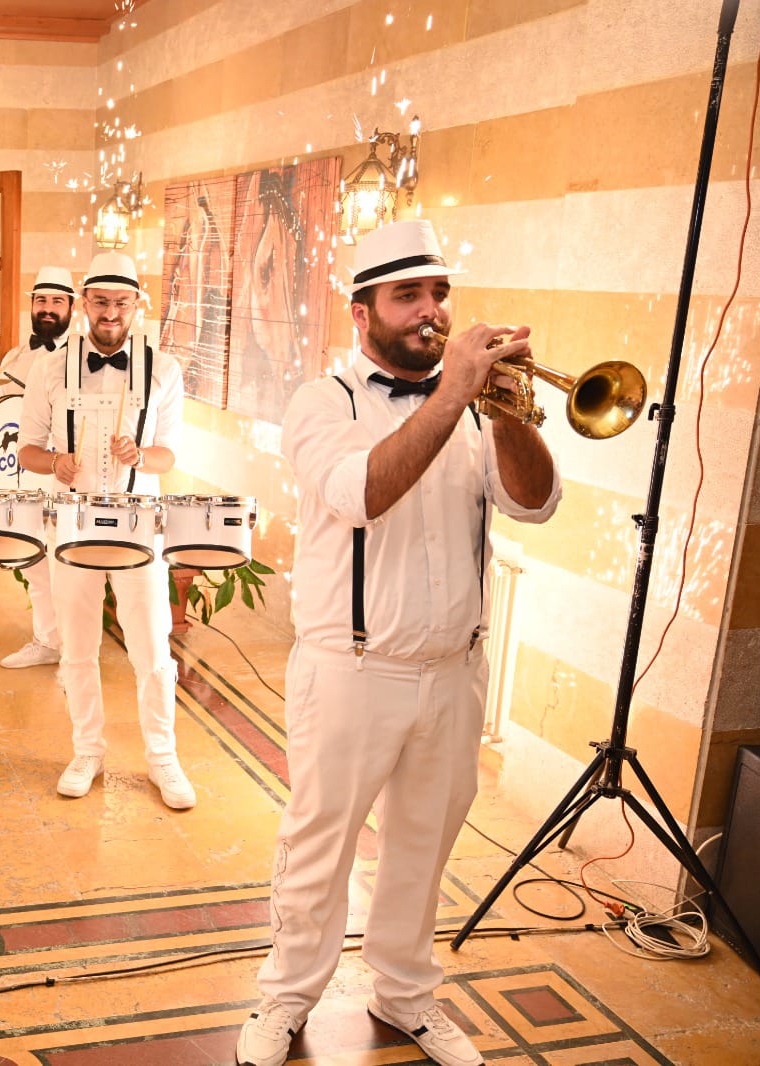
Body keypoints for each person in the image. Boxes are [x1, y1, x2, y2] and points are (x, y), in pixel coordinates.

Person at [235, 220, 560, 1066]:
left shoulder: (478, 409)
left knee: (424, 845)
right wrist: (453, 394)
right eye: (408, 295)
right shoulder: (322, 403)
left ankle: (406, 993)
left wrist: (510, 414)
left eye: (440, 294)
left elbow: (534, 504)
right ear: (362, 313)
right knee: (320, 844)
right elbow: (361, 493)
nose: (431, 311)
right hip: (350, 669)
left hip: (454, 671)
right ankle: (286, 998)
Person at [16, 251, 195, 811]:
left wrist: (141, 455)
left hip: (140, 527)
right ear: (83, 304)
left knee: (152, 647)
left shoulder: (164, 369)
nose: (111, 313)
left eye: (121, 302)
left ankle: (162, 757)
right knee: (77, 646)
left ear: (137, 305)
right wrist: (56, 463)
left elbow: (168, 455)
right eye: (100, 302)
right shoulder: (49, 368)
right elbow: (27, 449)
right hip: (71, 524)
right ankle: (86, 751)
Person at [0, 265, 75, 669]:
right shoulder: (17, 356)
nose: (47, 308)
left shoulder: (81, 357)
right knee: (35, 563)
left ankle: (77, 649)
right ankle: (47, 641)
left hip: (63, 474)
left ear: (71, 307)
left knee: (66, 566)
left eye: (57, 301)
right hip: (22, 472)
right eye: (41, 300)